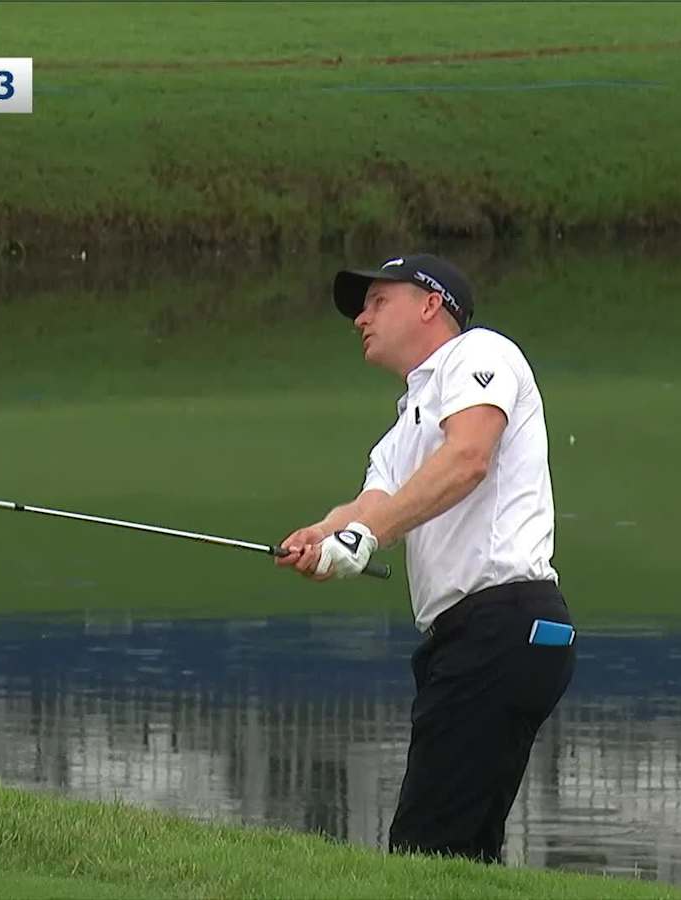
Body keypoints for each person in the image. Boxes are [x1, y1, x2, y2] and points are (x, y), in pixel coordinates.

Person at [276, 253, 575, 863]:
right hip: (468, 639)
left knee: (426, 850)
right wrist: (324, 536)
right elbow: (371, 506)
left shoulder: (480, 353)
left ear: (431, 304)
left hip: (505, 621)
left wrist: (365, 536)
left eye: (377, 301)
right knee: (458, 854)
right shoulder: (404, 427)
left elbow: (468, 458)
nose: (361, 318)